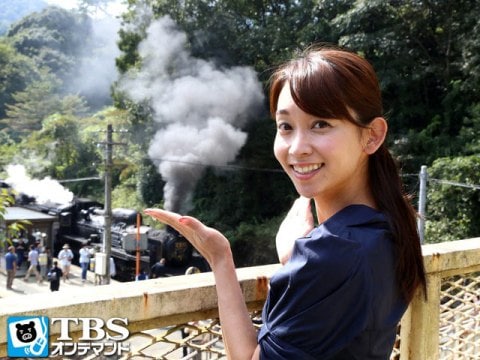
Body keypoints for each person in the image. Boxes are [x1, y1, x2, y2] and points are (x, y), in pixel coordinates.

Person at [144, 46, 427, 359]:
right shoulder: (388, 225)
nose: (297, 148)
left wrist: (220, 257)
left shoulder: (334, 254)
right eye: (286, 126)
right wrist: (300, 256)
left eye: (321, 124)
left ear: (371, 135)